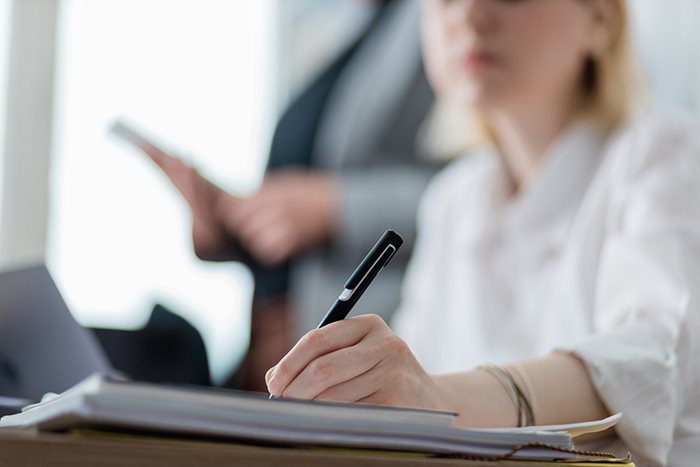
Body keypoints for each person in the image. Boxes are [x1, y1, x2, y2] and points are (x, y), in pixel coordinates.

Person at [264, 1, 700, 465]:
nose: (468, 15)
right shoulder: (453, 199)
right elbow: (414, 393)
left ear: (599, 19)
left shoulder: (664, 153)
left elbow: (653, 360)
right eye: (445, 1)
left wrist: (439, 399)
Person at [142, 0, 443, 391]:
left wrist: (335, 206)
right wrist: (237, 225)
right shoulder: (348, 28)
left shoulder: (443, 22)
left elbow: (484, 188)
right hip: (268, 362)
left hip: (353, 370)